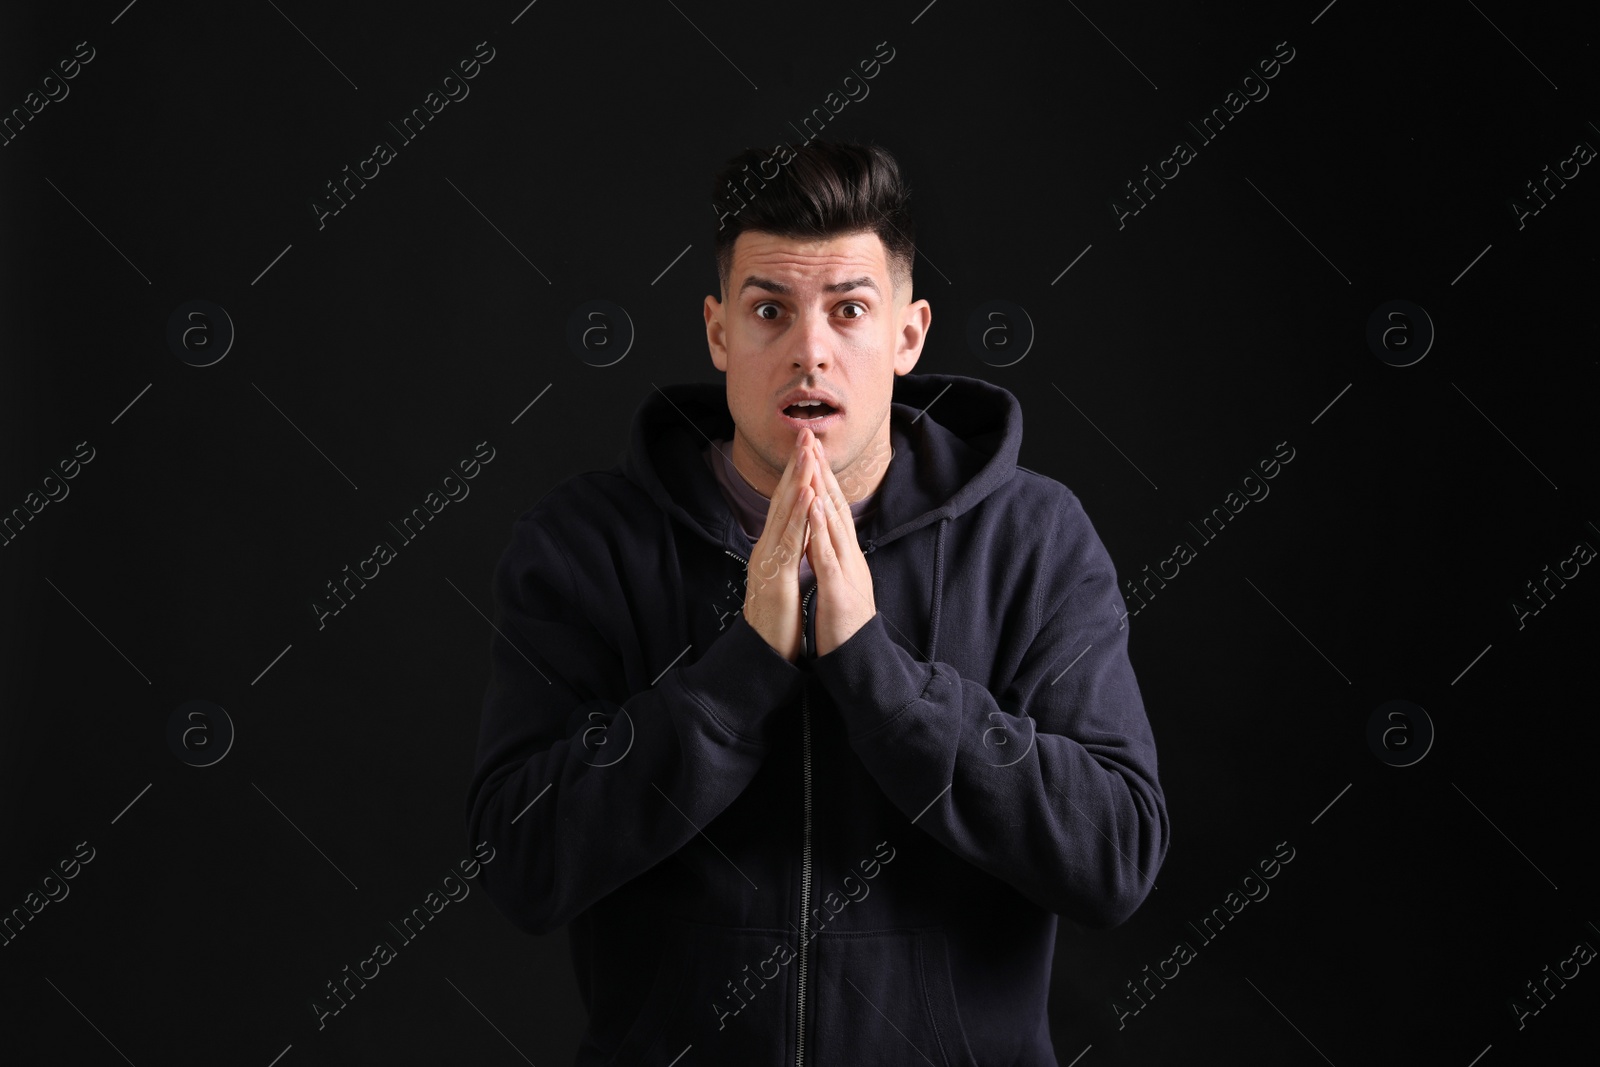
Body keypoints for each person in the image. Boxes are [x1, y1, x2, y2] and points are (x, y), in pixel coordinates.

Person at [465, 139, 1168, 1066]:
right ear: (719, 332)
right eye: (770, 311)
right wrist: (735, 677)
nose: (809, 351)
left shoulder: (1035, 538)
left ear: (908, 335)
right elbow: (518, 861)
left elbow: (1114, 855)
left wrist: (881, 679)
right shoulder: (585, 543)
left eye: (849, 310)